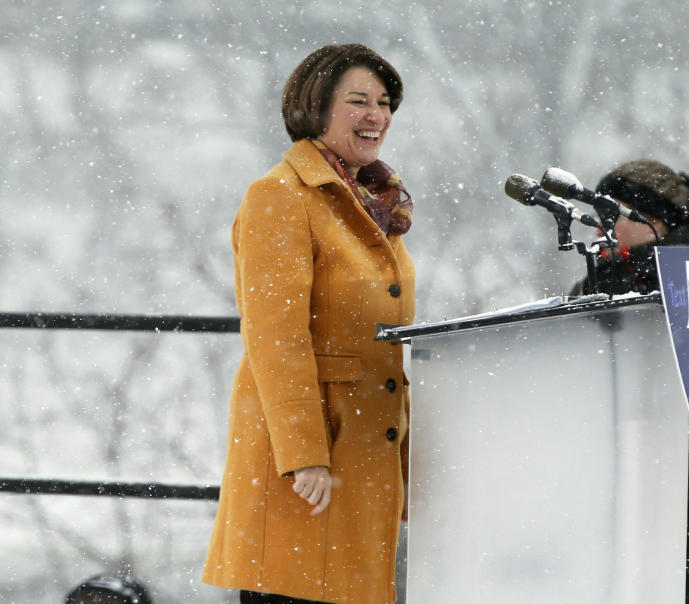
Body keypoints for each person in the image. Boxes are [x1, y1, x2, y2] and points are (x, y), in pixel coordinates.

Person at [202, 44, 415, 604]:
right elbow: (277, 338)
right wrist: (305, 455)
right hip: (313, 460)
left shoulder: (372, 201)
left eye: (385, 102)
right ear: (316, 109)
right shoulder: (280, 196)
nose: (377, 115)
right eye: (358, 101)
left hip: (365, 451)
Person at [569, 160, 689, 603]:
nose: (597, 224)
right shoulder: (601, 279)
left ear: (653, 220)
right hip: (622, 488)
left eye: (611, 211)